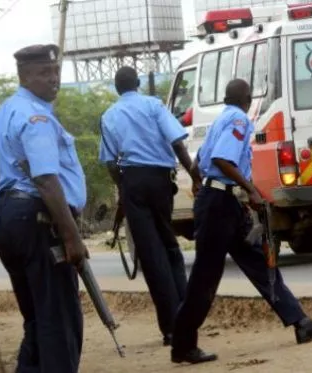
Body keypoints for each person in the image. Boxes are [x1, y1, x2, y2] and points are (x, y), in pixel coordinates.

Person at [170, 78, 312, 365]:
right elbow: (224, 159)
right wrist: (251, 190)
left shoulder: (220, 119)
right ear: (247, 99)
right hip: (221, 205)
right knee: (205, 277)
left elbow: (199, 163)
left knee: (262, 264)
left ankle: (300, 323)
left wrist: (203, 186)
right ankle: (183, 344)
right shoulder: (239, 120)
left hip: (222, 203)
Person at [0, 43, 87, 373]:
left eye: (56, 71)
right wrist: (72, 237)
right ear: (25, 76)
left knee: (37, 320)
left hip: (10, 216)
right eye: (44, 73)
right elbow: (46, 179)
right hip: (36, 219)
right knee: (59, 322)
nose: (54, 79)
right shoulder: (36, 117)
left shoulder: (9, 108)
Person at [98, 66, 200, 346]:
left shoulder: (109, 116)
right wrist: (194, 176)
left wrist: (123, 187)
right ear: (139, 83)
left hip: (132, 181)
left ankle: (170, 328)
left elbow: (110, 161)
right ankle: (186, 321)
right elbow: (177, 144)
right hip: (159, 181)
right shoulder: (153, 105)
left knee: (151, 256)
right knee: (169, 246)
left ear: (117, 89)